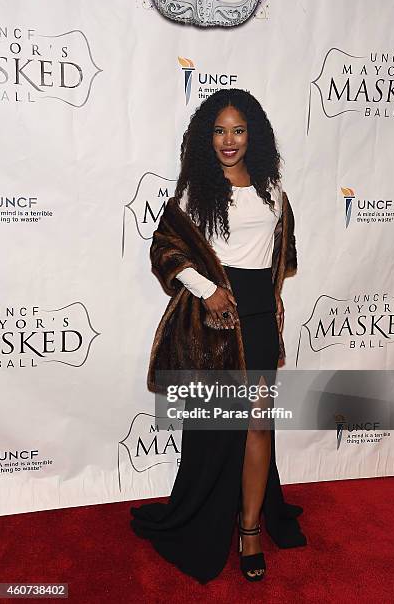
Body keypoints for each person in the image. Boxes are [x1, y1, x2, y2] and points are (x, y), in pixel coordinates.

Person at [130, 88, 306, 584]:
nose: (229, 140)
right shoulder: (194, 192)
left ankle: (250, 529)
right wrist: (207, 290)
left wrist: (267, 303)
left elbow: (279, 259)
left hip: (259, 318)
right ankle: (205, 519)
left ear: (255, 135)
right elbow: (164, 249)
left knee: (257, 427)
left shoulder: (274, 191)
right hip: (215, 325)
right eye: (220, 130)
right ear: (207, 136)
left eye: (239, 130)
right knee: (213, 433)